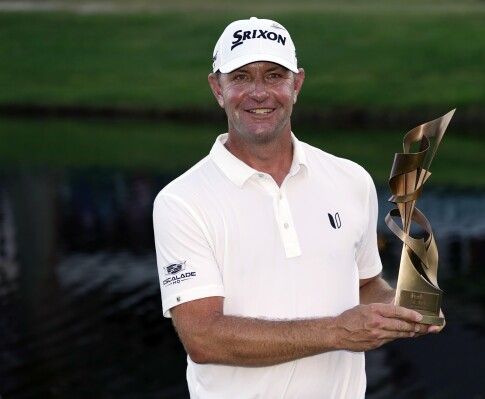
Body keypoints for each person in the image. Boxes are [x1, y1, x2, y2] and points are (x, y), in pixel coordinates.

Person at [153, 17, 445, 399]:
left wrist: (399, 308)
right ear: (217, 88)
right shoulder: (182, 201)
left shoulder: (350, 179)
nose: (259, 93)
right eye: (240, 77)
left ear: (298, 84)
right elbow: (204, 338)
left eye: (274, 75)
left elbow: (363, 285)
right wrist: (339, 331)